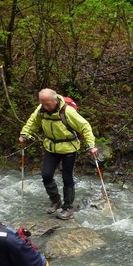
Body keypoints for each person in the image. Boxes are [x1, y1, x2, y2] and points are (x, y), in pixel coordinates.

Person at [19, 89, 98, 220]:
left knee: (67, 178)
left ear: (55, 100)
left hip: (69, 148)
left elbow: (85, 126)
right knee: (46, 175)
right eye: (42, 103)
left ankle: (68, 208)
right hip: (51, 147)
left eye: (47, 104)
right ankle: (56, 200)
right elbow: (32, 122)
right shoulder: (41, 110)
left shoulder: (67, 112)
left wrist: (91, 146)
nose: (45, 107)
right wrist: (24, 134)